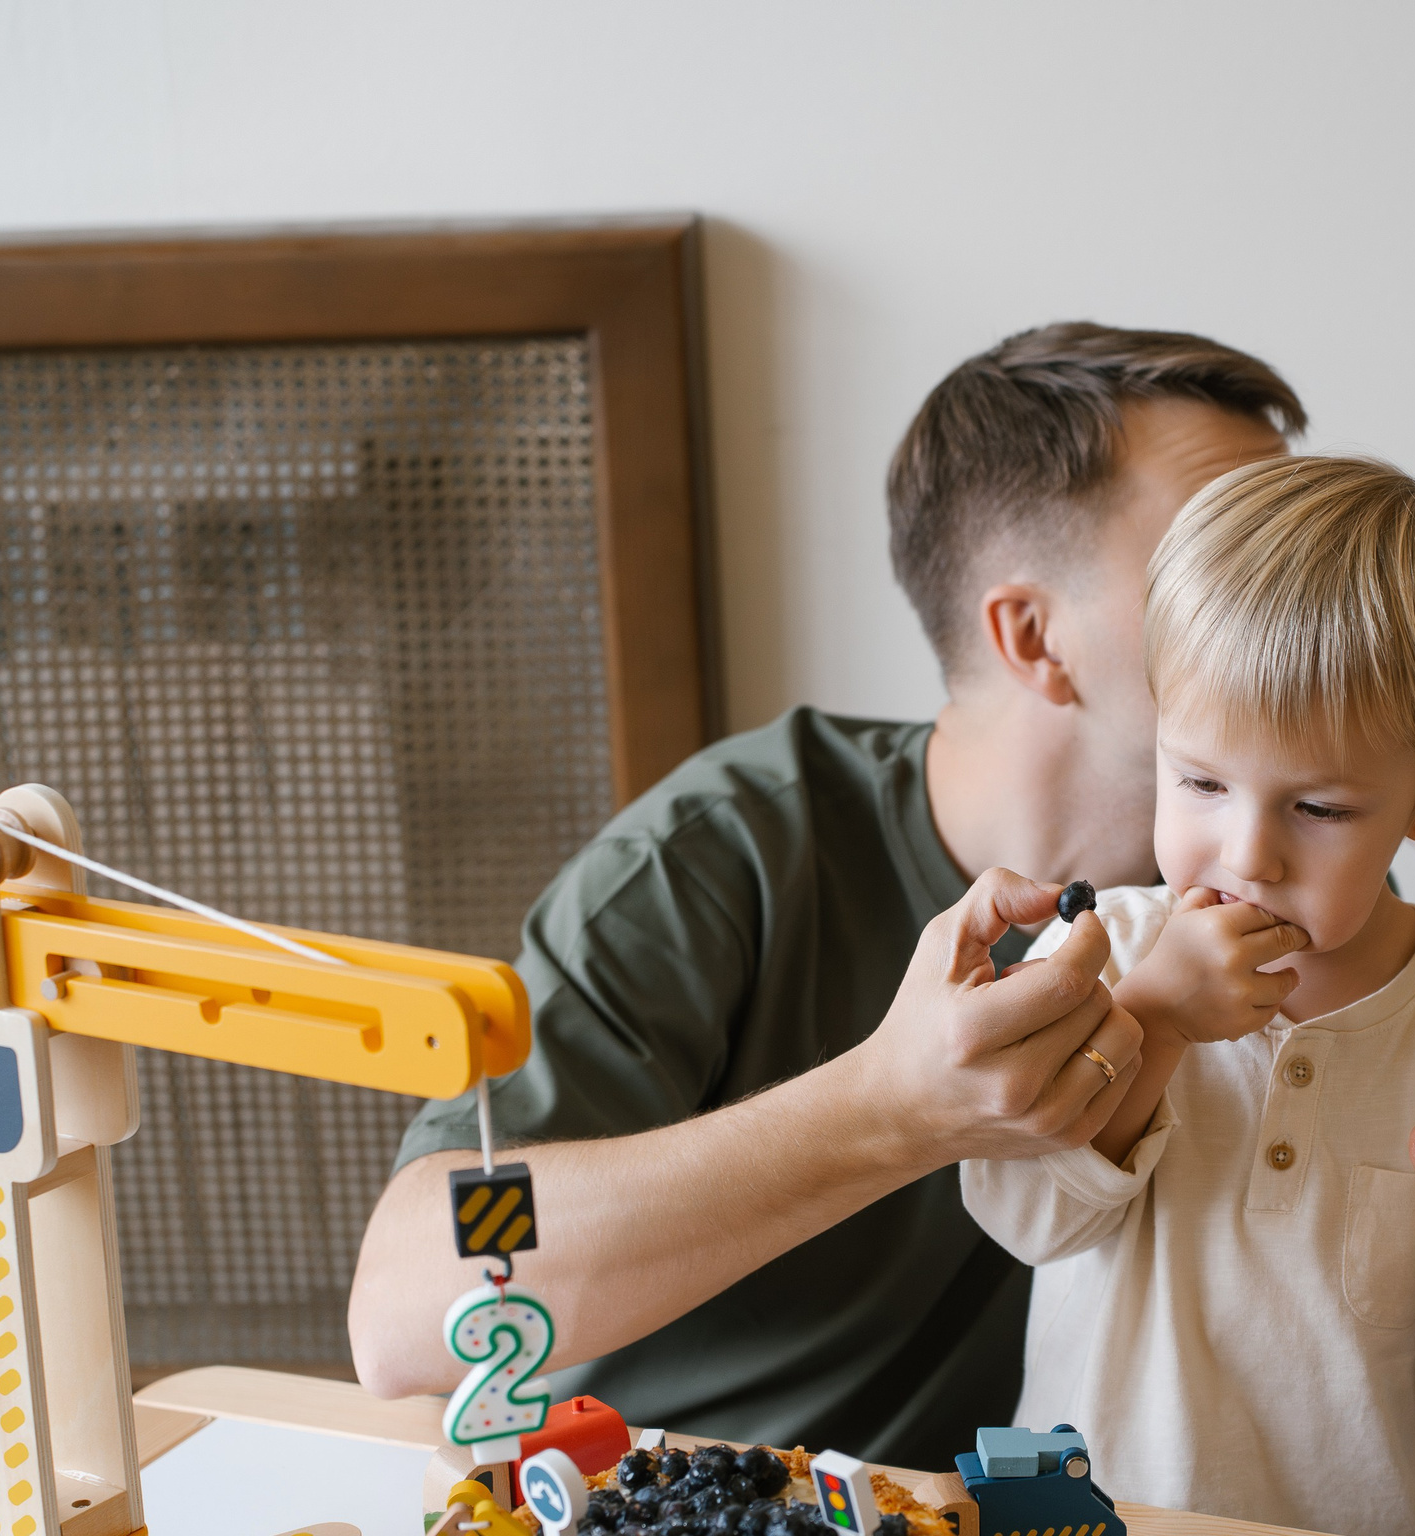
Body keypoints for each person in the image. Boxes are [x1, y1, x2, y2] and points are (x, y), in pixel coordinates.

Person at [346, 324, 1300, 1471]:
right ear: (1034, 636)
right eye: (1227, 552)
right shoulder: (728, 851)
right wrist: (891, 1111)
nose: (1299, 595)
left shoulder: (1282, 871)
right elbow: (406, 1307)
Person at [961, 456, 1415, 1536]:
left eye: (1316, 807)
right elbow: (1028, 1215)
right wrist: (1155, 1024)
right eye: (1201, 784)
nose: (1248, 852)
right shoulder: (1094, 955)